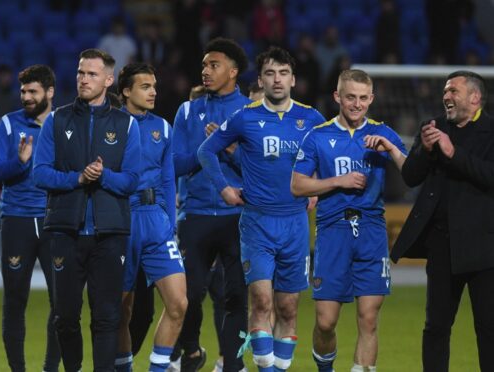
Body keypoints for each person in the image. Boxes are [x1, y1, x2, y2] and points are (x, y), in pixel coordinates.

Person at [198, 46, 325, 372]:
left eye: (283, 73)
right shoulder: (245, 117)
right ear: (261, 79)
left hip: (295, 224)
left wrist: (317, 188)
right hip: (257, 223)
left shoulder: (311, 118)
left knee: (288, 308)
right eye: (270, 73)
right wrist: (224, 188)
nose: (277, 79)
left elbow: (327, 158)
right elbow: (206, 151)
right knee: (262, 301)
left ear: (293, 79)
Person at [33, 48, 141, 372]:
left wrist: (103, 176)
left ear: (108, 79)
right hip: (66, 231)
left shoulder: (127, 124)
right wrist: (78, 177)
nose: (83, 79)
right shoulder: (56, 120)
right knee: (65, 316)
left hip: (110, 234)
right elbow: (39, 173)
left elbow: (132, 180)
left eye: (92, 74)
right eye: (80, 72)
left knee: (107, 316)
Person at [291, 69, 407, 372]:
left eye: (362, 98)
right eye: (350, 97)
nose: (356, 104)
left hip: (371, 230)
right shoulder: (318, 136)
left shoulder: (383, 133)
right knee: (325, 322)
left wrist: (392, 149)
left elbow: (412, 173)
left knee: (369, 318)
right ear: (337, 97)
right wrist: (337, 181)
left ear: (371, 99)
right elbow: (298, 186)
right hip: (332, 230)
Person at [391, 70, 494, 371]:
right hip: (442, 245)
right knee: (435, 327)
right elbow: (411, 176)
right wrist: (424, 149)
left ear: (475, 98)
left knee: (488, 329)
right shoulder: (432, 127)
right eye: (445, 91)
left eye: (454, 91)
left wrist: (453, 153)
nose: (446, 96)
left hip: (484, 247)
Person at [172, 37, 250, 372]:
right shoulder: (187, 110)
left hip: (238, 215)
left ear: (233, 71)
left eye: (213, 65)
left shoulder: (251, 113)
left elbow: (261, 170)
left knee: (236, 297)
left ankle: (232, 363)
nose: (205, 70)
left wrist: (229, 149)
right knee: (188, 295)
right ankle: (190, 351)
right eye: (204, 65)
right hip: (197, 213)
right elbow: (175, 163)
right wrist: (209, 148)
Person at [113, 62, 187, 372]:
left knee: (178, 303)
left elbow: (169, 179)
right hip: (121, 220)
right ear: (126, 91)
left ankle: (158, 368)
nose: (153, 91)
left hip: (155, 221)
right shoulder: (111, 126)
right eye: (145, 86)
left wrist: (169, 223)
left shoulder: (163, 127)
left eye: (154, 85)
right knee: (121, 310)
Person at [0, 65, 61, 372]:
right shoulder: (9, 123)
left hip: (54, 221)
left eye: (33, 92)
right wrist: (19, 162)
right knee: (15, 301)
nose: (27, 97)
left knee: (62, 303)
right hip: (17, 219)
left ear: (50, 92)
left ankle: (49, 368)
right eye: (23, 92)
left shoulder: (64, 124)